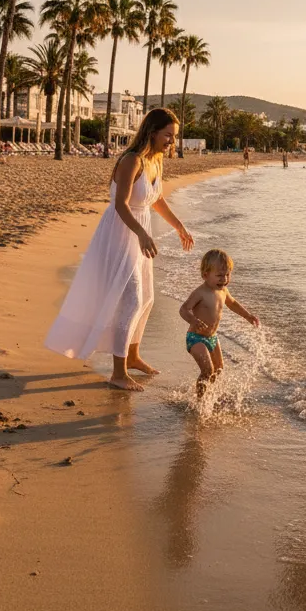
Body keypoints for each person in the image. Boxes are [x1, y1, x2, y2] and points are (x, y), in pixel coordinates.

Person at [44, 107, 195, 390]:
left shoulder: (155, 162)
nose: (171, 142)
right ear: (152, 132)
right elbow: (120, 205)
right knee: (131, 300)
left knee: (146, 297)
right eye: (168, 135)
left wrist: (179, 227)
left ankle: (134, 356)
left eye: (174, 137)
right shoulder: (131, 160)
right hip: (120, 233)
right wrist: (140, 234)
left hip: (139, 232)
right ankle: (118, 372)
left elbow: (156, 200)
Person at [180, 249, 260, 397]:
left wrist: (248, 316)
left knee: (218, 369)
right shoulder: (200, 293)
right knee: (207, 370)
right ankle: (199, 401)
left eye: (227, 274)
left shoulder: (224, 291)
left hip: (213, 338)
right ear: (205, 275)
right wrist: (193, 320)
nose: (224, 279)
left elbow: (233, 304)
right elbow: (183, 309)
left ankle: (207, 394)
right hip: (196, 338)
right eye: (219, 275)